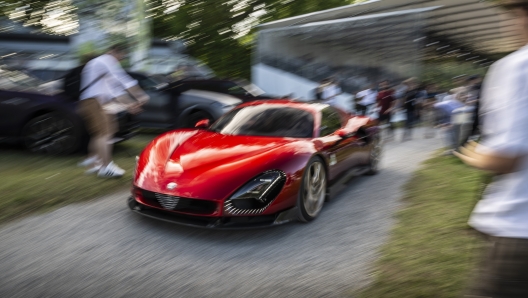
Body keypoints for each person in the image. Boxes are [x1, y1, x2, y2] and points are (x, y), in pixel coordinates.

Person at [455, 1, 528, 296]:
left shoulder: (517, 66)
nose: (507, 24)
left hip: (517, 229)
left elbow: (505, 157)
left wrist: (474, 154)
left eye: (512, 14)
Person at [77, 43, 149, 178]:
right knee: (104, 133)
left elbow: (114, 91)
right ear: (115, 51)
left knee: (102, 133)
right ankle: (105, 167)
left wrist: (130, 105)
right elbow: (123, 79)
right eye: (121, 56)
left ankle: (94, 165)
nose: (120, 60)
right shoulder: (105, 60)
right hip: (93, 101)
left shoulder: (99, 64)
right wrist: (141, 95)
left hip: (93, 102)